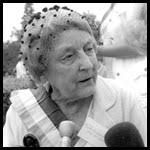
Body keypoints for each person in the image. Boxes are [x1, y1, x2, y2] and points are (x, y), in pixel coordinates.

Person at [3, 5, 147, 147]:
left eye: (89, 49)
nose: (88, 64)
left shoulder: (124, 100)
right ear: (42, 72)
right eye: (69, 56)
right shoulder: (21, 113)